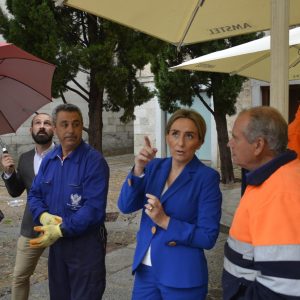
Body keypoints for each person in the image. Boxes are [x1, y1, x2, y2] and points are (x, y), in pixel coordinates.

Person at [118, 108, 222, 300]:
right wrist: (139, 169)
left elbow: (208, 237)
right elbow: (125, 206)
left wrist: (165, 221)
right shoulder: (155, 166)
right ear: (167, 137)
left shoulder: (206, 178)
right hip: (145, 272)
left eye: (189, 136)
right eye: (175, 134)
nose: (181, 143)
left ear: (200, 142)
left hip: (182, 275)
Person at [28, 103, 109, 300]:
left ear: (82, 127)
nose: (70, 130)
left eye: (76, 124)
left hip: (86, 247)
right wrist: (43, 215)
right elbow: (34, 194)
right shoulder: (50, 160)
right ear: (55, 129)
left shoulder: (94, 162)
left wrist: (61, 229)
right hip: (58, 247)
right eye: (64, 124)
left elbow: (93, 209)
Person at [223, 106, 300, 300]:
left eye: (235, 137)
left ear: (258, 145)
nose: (229, 144)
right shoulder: (271, 178)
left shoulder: (280, 193)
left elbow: (284, 288)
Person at [1, 113, 55, 300]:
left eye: (47, 123)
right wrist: (9, 173)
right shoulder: (25, 158)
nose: (42, 127)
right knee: (19, 277)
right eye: (37, 123)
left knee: (62, 278)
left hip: (60, 227)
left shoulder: (64, 155)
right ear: (31, 129)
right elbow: (16, 191)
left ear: (53, 129)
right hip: (31, 227)